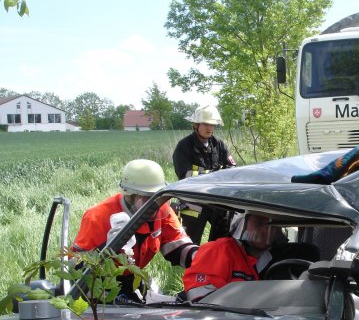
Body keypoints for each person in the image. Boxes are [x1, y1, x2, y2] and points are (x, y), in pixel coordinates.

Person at [72, 159, 198, 300]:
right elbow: (76, 270)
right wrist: (104, 250)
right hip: (100, 285)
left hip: (134, 277)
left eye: (156, 198)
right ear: (129, 195)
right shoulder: (97, 218)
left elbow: (178, 247)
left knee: (165, 305)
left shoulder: (162, 209)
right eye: (145, 199)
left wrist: (201, 257)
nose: (153, 207)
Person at [172, 104, 236, 245]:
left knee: (221, 241)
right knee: (189, 243)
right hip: (192, 202)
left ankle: (215, 263)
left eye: (212, 125)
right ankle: (192, 265)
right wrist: (216, 174)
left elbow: (232, 169)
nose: (210, 128)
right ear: (196, 125)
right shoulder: (183, 146)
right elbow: (185, 175)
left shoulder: (218, 145)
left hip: (216, 201)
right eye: (206, 124)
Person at [182, 213, 277, 302]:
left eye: (272, 225)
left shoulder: (272, 261)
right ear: (241, 223)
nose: (266, 229)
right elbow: (203, 301)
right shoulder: (218, 250)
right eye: (259, 223)